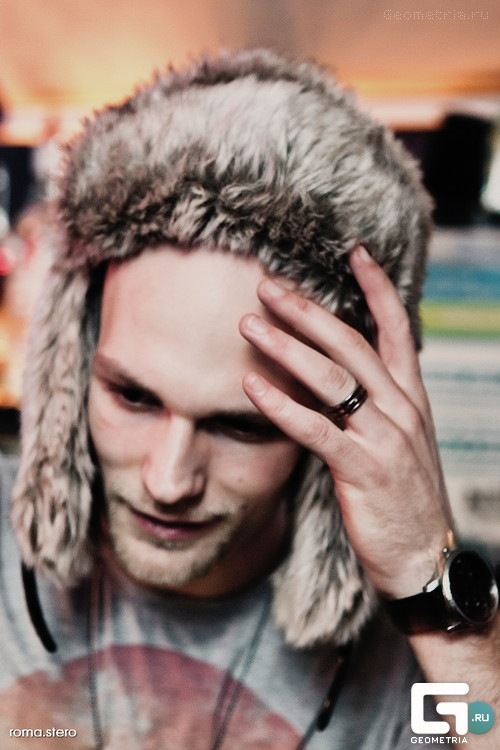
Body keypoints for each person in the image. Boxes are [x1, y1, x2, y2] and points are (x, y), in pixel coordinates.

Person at [0, 49, 498, 749]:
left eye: (243, 427)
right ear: (71, 363)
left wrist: (430, 584)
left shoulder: (418, 649)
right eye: (132, 396)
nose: (168, 481)